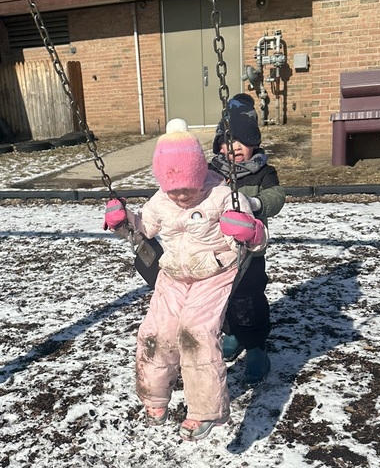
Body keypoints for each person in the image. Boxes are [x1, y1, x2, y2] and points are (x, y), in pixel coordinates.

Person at [104, 119, 267, 441]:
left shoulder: (222, 195)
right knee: (154, 333)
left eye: (187, 189)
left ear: (199, 175)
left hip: (214, 274)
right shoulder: (160, 201)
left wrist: (249, 232)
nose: (179, 196)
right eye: (172, 190)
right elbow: (142, 229)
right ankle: (154, 398)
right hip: (173, 276)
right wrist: (123, 221)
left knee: (196, 333)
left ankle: (204, 410)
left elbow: (258, 240)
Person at [209, 94, 286, 384]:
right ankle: (232, 334)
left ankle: (256, 347)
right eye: (229, 141)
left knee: (250, 298)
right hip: (219, 251)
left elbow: (276, 196)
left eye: (243, 140)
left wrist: (255, 203)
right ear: (220, 144)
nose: (235, 147)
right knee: (223, 297)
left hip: (251, 252)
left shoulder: (263, 171)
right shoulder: (213, 173)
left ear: (254, 142)